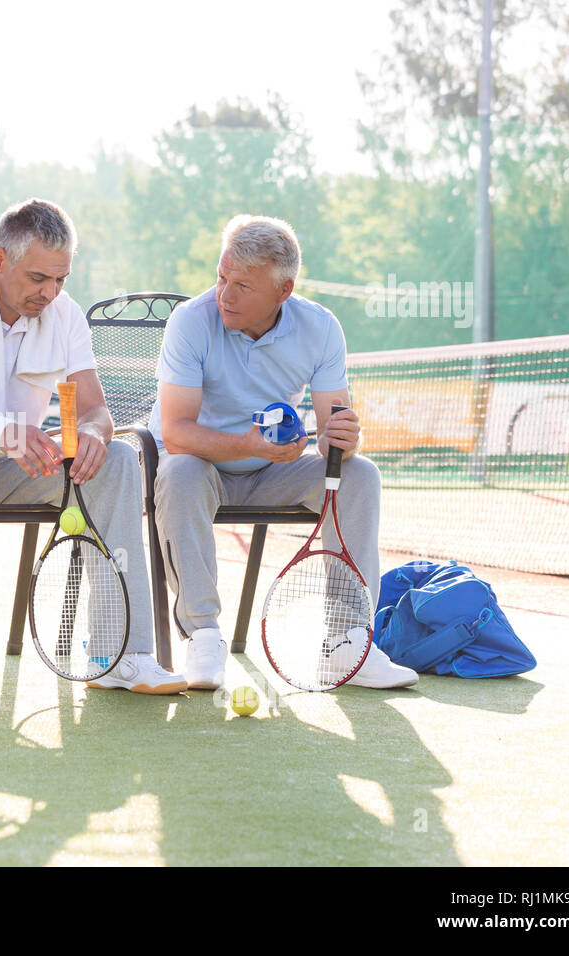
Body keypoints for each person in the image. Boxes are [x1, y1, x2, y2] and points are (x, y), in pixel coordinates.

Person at [0, 198, 188, 699]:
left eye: (61, 280)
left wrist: (91, 435)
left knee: (121, 459)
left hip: (19, 466)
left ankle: (122, 655)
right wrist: (1, 431)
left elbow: (95, 411)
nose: (51, 293)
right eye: (39, 278)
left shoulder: (65, 315)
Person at [149, 214, 418, 690]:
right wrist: (249, 445)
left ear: (283, 290)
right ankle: (204, 636)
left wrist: (343, 438)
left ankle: (346, 642)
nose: (225, 295)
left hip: (271, 471)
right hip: (199, 466)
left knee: (360, 476)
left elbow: (335, 427)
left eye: (242, 286)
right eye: (221, 278)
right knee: (181, 472)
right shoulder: (190, 321)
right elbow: (175, 433)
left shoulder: (321, 327)